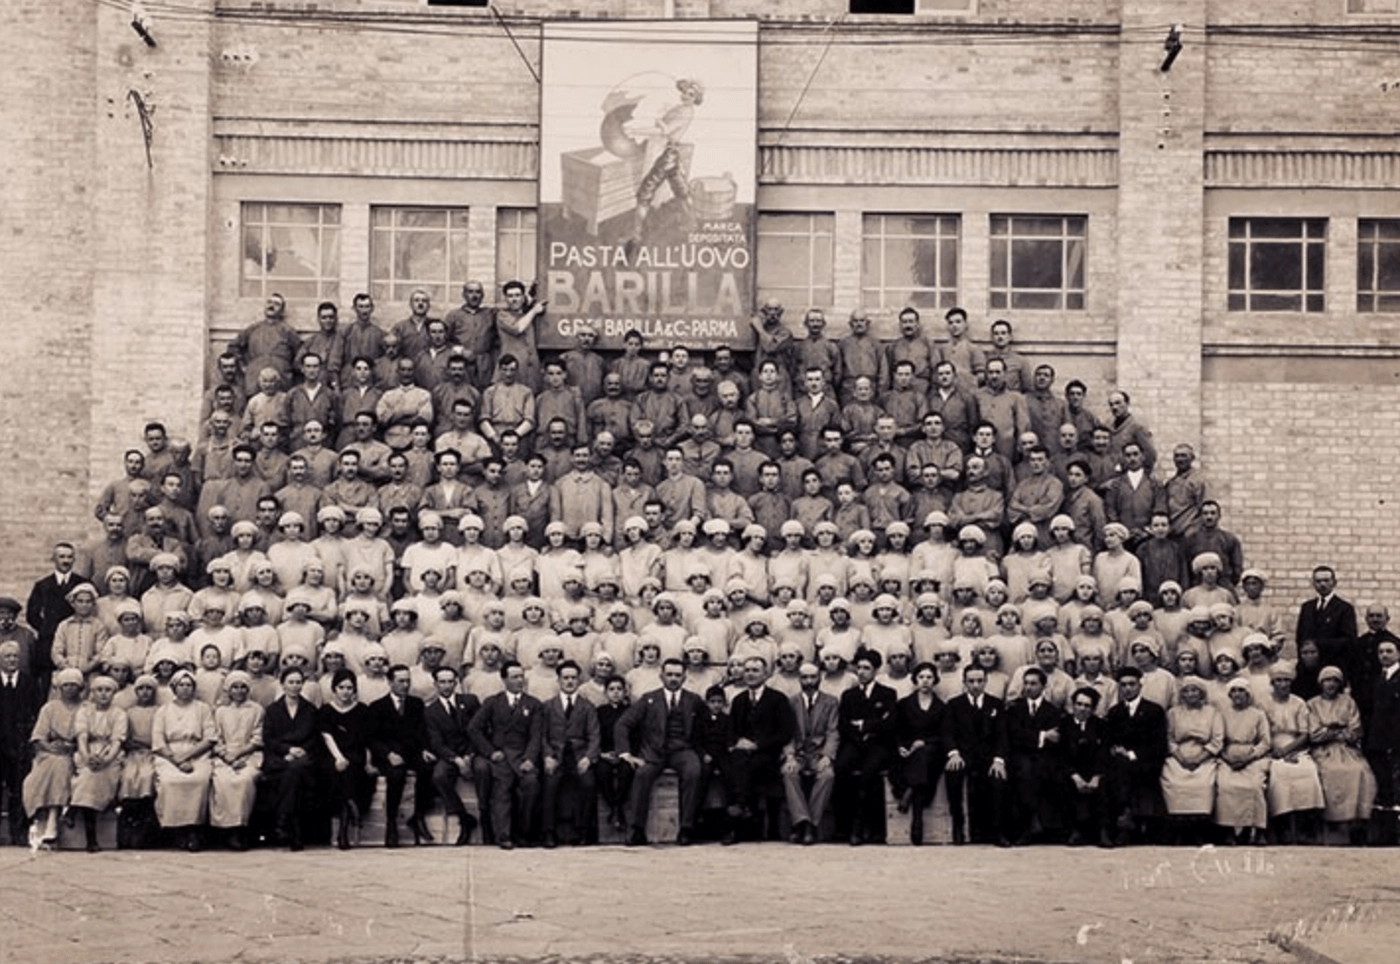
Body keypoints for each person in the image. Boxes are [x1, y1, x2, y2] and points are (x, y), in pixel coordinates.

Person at [614, 657, 704, 846]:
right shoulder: (648, 699)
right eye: (669, 674)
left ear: (684, 677)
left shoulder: (693, 700)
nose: (673, 679)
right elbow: (623, 723)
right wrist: (625, 753)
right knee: (642, 774)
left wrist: (702, 752)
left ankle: (686, 828)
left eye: (677, 675)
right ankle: (637, 830)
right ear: (661, 675)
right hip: (653, 752)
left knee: (694, 771)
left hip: (682, 750)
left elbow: (706, 728)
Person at [467, 660, 542, 849]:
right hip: (500, 756)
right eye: (514, 677)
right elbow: (474, 728)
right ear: (504, 679)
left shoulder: (533, 704)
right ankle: (504, 835)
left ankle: (524, 833)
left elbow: (536, 735)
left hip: (522, 756)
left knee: (531, 785)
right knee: (502, 790)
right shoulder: (493, 702)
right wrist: (490, 752)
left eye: (521, 677)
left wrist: (530, 758)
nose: (519, 681)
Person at [1307, 665, 1377, 844]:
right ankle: (1332, 824)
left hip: (1346, 748)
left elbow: (1355, 729)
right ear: (1320, 683)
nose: (1330, 684)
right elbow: (1314, 733)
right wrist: (1334, 730)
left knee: (1361, 771)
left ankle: (1355, 822)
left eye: (1334, 681)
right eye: (1327, 681)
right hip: (1324, 750)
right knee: (1331, 771)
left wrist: (1333, 730)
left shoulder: (1348, 702)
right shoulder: (1313, 704)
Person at [834, 649, 897, 845]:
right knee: (841, 768)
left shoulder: (887, 694)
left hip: (878, 745)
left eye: (866, 668)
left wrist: (863, 725)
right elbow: (843, 724)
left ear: (876, 670)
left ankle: (862, 828)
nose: (861, 672)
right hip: (855, 743)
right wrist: (863, 730)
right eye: (859, 668)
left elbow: (889, 724)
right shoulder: (849, 695)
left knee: (869, 774)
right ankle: (843, 826)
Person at [151, 668, 217, 851]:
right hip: (169, 755)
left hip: (197, 752)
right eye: (181, 685)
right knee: (169, 781)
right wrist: (177, 761)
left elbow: (209, 738)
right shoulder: (163, 711)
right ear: (174, 688)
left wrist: (187, 757)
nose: (185, 689)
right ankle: (177, 831)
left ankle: (194, 829)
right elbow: (158, 742)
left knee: (200, 780)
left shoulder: (203, 709)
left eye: (189, 685)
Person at [369, 663, 435, 847]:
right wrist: (388, 754)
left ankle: (418, 815)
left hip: (412, 752)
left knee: (427, 769)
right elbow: (372, 738)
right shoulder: (377, 707)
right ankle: (391, 823)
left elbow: (423, 730)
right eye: (400, 681)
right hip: (388, 755)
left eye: (408, 681)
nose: (405, 685)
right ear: (390, 682)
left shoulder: (416, 704)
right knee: (396, 776)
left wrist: (425, 749)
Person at [1102, 666, 1167, 845]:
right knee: (1116, 772)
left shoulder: (1154, 711)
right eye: (1123, 685)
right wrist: (1115, 750)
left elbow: (1159, 745)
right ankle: (1121, 823)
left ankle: (1125, 823)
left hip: (1147, 762)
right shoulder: (1115, 712)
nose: (1127, 689)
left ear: (1140, 686)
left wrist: (1131, 753)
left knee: (1125, 772)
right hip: (1120, 764)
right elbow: (1109, 741)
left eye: (1131, 684)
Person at [539, 659, 600, 847]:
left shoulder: (587, 706)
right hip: (556, 755)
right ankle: (549, 832)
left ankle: (583, 831)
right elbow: (541, 735)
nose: (570, 682)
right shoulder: (548, 706)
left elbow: (594, 735)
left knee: (588, 783)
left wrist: (588, 758)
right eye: (565, 678)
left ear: (579, 680)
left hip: (578, 755)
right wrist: (547, 756)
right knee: (550, 784)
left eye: (573, 678)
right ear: (558, 680)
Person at [1159, 675, 1222, 846]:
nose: (1191, 694)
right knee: (1174, 781)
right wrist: (1181, 758)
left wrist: (1199, 758)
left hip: (1204, 755)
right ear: (1182, 694)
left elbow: (1217, 739)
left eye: (1195, 690)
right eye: (1187, 691)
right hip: (1179, 755)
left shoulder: (1212, 712)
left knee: (1203, 783)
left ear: (1202, 693)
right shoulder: (1173, 713)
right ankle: (1180, 829)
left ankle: (1199, 830)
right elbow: (1169, 738)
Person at [781, 661, 839, 845]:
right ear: (799, 680)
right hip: (798, 753)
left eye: (812, 677)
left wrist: (827, 756)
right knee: (788, 772)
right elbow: (787, 733)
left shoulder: (831, 702)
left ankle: (811, 825)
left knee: (827, 775)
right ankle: (802, 821)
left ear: (819, 678)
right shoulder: (791, 702)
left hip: (818, 753)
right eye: (805, 677)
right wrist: (789, 755)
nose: (809, 681)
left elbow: (833, 731)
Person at [318, 669, 375, 850]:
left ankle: (343, 830)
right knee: (337, 772)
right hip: (332, 754)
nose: (345, 691)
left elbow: (367, 741)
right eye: (341, 687)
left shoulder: (362, 710)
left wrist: (368, 762)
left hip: (355, 754)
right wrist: (338, 758)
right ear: (334, 689)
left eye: (349, 688)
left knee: (351, 772)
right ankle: (350, 810)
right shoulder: (326, 710)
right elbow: (327, 737)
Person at [892, 661, 946, 845]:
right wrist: (901, 746)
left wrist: (924, 742)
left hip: (933, 752)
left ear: (935, 680)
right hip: (908, 752)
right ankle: (916, 813)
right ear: (915, 680)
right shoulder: (904, 704)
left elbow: (943, 735)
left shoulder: (941, 707)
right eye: (921, 677)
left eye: (929, 677)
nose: (925, 681)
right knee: (917, 760)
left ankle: (915, 813)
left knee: (924, 755)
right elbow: (897, 730)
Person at [209, 670, 263, 851]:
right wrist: (228, 757)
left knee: (244, 780)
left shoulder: (256, 710)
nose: (239, 691)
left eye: (242, 687)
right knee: (222, 780)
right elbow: (215, 738)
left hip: (249, 755)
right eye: (235, 687)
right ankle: (226, 830)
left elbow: (257, 738)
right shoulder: (220, 711)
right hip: (225, 757)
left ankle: (241, 828)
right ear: (228, 690)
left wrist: (239, 755)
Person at [1215, 677, 1272, 845]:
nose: (1237, 694)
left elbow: (1265, 742)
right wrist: (1226, 757)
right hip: (1227, 756)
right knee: (1225, 785)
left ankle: (1256, 830)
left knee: (1255, 786)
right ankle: (1228, 831)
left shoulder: (1258, 714)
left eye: (1241, 691)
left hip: (1252, 756)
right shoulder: (1222, 714)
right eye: (1234, 691)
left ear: (1248, 694)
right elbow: (1217, 739)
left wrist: (1249, 757)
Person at [0, 640, 43, 846]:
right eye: (7, 656)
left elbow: (35, 714)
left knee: (19, 789)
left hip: (19, 746)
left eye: (15, 656)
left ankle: (19, 833)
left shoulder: (29, 683)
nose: (11, 660)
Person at [1295, 565, 1358, 677]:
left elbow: (1349, 640)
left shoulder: (1344, 608)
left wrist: (1318, 645)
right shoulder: (1307, 607)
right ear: (1313, 583)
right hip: (1307, 669)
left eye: (1326, 580)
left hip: (1332, 666)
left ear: (1334, 582)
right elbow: (1300, 637)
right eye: (1318, 581)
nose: (1322, 584)